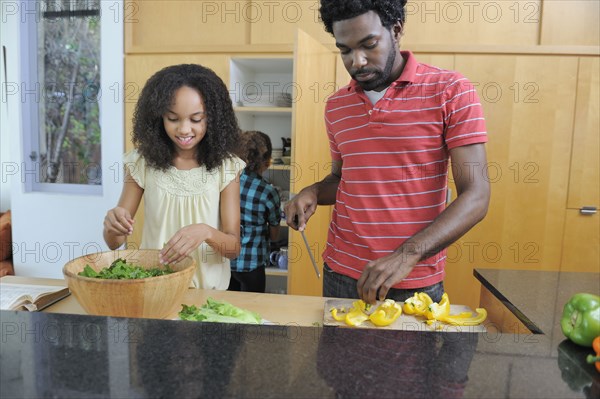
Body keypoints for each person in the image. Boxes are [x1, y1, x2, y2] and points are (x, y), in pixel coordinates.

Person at [285, 0, 490, 304]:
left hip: (413, 279)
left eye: (369, 44)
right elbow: (343, 180)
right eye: (345, 50)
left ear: (396, 30)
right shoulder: (336, 106)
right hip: (341, 274)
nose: (357, 61)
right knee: (335, 353)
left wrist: (405, 256)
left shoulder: (450, 90)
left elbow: (477, 196)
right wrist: (313, 191)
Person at [103, 64, 245, 290]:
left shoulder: (226, 167)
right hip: (154, 289)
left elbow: (233, 248)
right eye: (173, 118)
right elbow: (114, 242)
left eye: (196, 119)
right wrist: (113, 226)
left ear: (213, 119)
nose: (184, 130)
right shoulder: (142, 162)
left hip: (208, 295)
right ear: (158, 117)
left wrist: (206, 232)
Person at [229, 131, 281, 293]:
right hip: (253, 264)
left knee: (227, 310)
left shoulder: (227, 182)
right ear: (267, 162)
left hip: (226, 262)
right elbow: (274, 234)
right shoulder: (268, 192)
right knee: (253, 311)